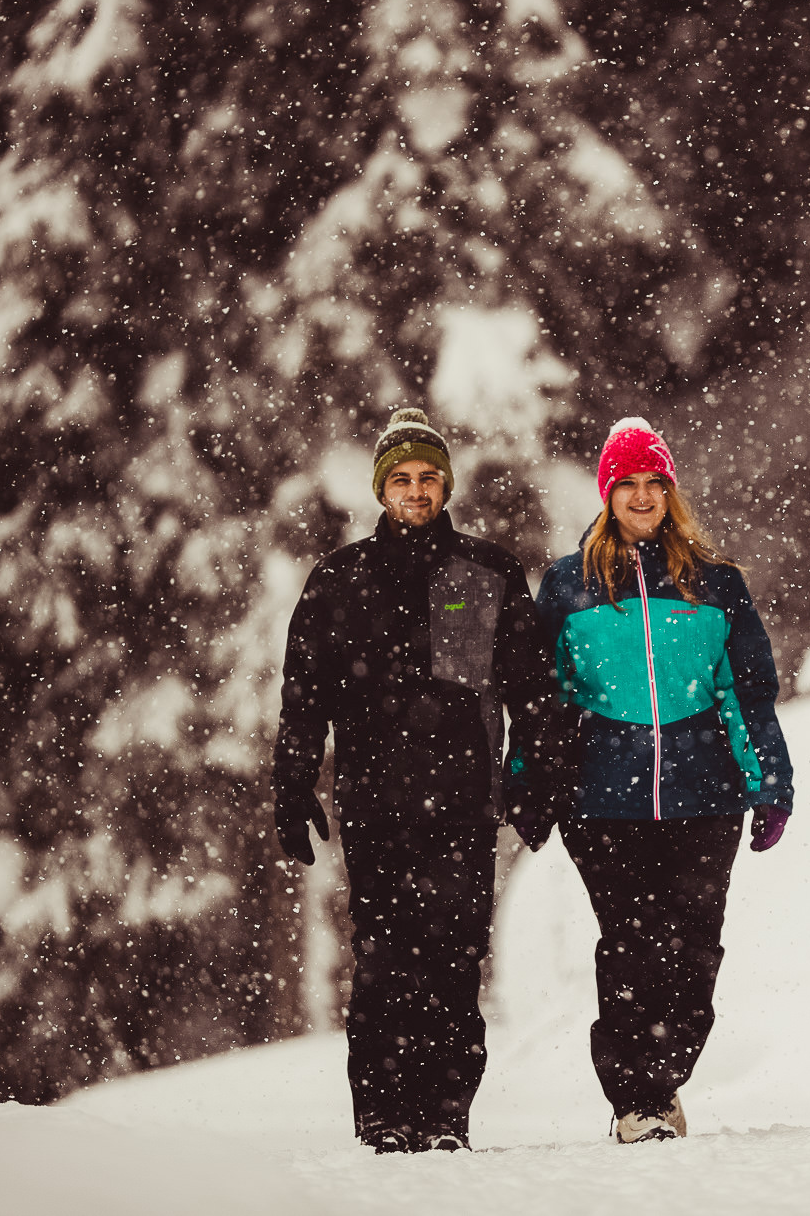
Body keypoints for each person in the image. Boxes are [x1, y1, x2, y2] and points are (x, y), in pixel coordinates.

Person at [270, 407, 576, 1154]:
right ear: (382, 487)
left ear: (446, 485)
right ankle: (383, 1119)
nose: (415, 490)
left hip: (465, 805)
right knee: (382, 960)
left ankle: (443, 1117)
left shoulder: (488, 572)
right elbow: (304, 691)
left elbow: (534, 689)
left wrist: (533, 776)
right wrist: (292, 781)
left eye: (427, 477)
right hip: (373, 805)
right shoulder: (341, 579)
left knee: (453, 958)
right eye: (401, 478)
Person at [517, 416, 794, 1144]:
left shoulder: (714, 582)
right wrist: (528, 783)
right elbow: (541, 697)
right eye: (627, 484)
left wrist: (770, 781)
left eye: (653, 483)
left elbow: (747, 689)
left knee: (696, 947)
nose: (641, 495)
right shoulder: (570, 583)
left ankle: (664, 1077)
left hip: (705, 794)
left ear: (670, 492)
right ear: (608, 494)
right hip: (603, 799)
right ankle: (635, 1098)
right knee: (633, 943)